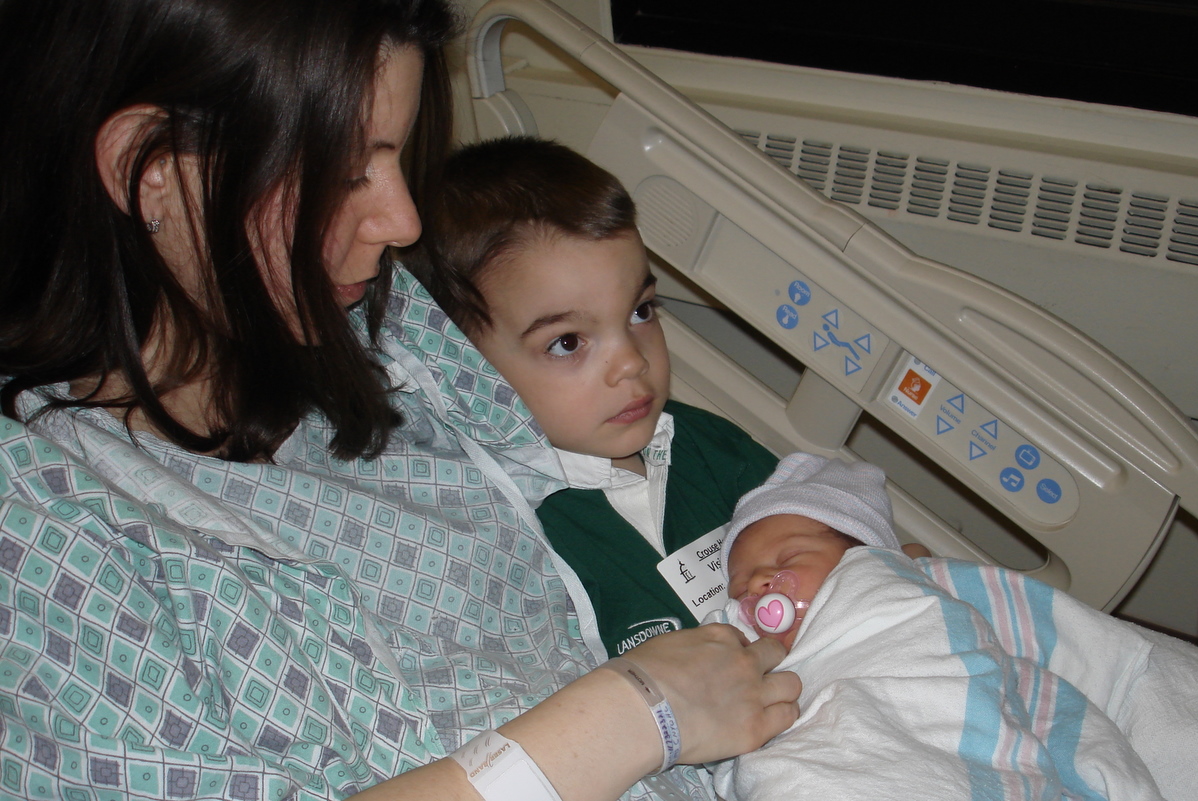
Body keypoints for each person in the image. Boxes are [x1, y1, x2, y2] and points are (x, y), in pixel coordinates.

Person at [0, 3, 802, 801]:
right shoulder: (43, 526)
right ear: (151, 170)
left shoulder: (389, 329)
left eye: (396, 159)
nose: (402, 221)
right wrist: (629, 716)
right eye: (349, 173)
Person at [407, 135, 782, 659]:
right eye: (567, 342)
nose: (632, 361)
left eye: (640, 312)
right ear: (464, 369)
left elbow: (834, 552)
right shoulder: (506, 542)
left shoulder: (715, 449)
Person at [707, 452, 1198, 801]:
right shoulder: (750, 656)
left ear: (865, 554)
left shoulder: (917, 587)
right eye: (741, 586)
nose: (759, 585)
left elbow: (1036, 626)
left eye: (787, 558)